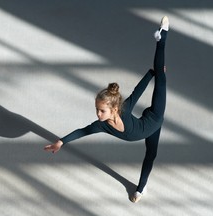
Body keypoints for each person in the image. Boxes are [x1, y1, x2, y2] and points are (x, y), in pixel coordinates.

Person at [44, 16, 169, 203]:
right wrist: (61, 142)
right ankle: (140, 190)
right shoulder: (101, 126)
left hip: (155, 116)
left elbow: (138, 91)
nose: (98, 114)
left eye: (102, 111)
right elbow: (82, 131)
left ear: (114, 109)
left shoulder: (124, 109)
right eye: (97, 109)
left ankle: (162, 36)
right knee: (150, 154)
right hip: (147, 124)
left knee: (160, 75)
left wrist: (151, 73)